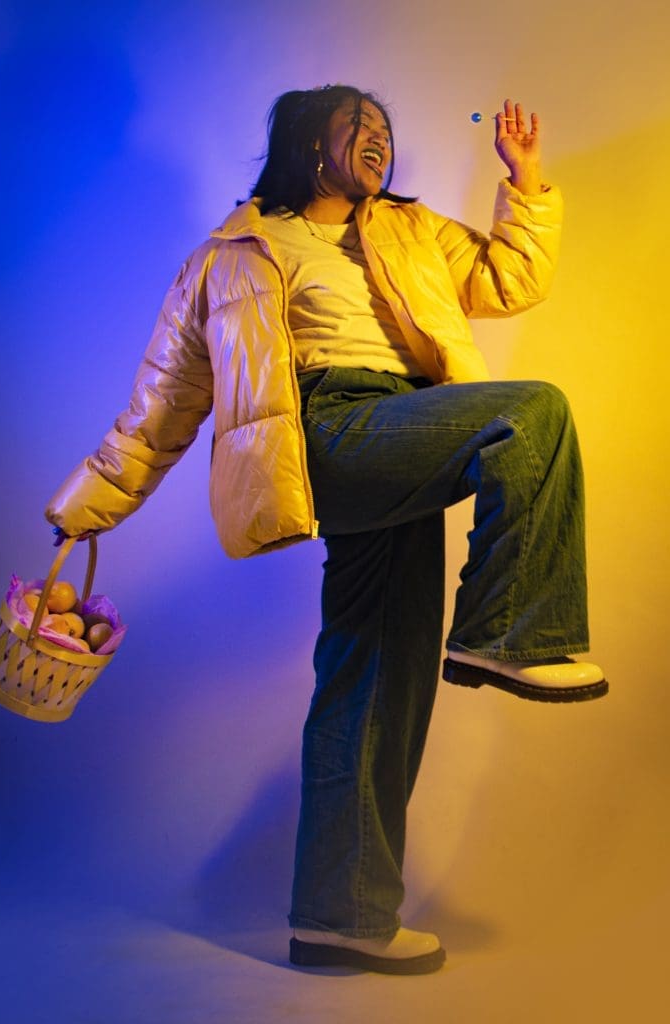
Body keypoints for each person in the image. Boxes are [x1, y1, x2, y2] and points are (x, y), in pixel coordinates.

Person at [46, 85, 607, 976]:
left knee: (372, 679)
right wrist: (81, 511)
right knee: (529, 415)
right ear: (311, 143)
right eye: (361, 125)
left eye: (387, 127)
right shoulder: (231, 255)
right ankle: (507, 631)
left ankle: (340, 917)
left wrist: (526, 182)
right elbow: (160, 413)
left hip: (407, 435)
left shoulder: (413, 231)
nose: (381, 138)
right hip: (325, 433)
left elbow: (511, 279)